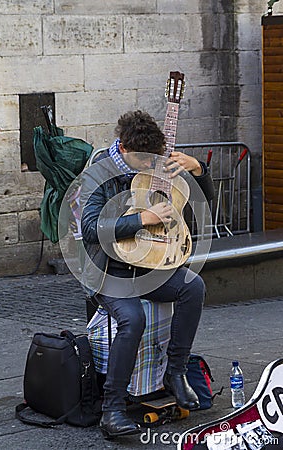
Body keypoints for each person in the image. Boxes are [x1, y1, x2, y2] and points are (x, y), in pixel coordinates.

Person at [81, 110, 214, 438]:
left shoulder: (154, 162)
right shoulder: (100, 174)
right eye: (144, 161)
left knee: (192, 286)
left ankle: (176, 372)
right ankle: (112, 409)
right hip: (110, 271)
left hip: (152, 265)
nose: (150, 166)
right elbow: (89, 229)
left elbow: (203, 200)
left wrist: (198, 169)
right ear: (125, 150)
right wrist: (143, 219)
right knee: (132, 319)